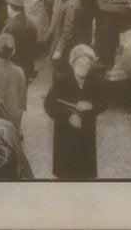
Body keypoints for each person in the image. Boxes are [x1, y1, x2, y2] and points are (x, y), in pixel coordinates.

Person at [43, 44, 107, 179]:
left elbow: (104, 102)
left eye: (87, 64)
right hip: (65, 136)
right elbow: (49, 104)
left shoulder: (96, 82)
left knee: (85, 174)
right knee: (66, 174)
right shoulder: (62, 82)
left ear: (91, 66)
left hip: (86, 135)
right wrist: (68, 116)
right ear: (73, 63)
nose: (84, 67)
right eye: (80, 63)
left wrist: (92, 106)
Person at [49, 0, 83, 77]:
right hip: (57, 37)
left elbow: (68, 29)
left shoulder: (73, 3)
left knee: (62, 69)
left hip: (67, 41)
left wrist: (59, 49)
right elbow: (55, 17)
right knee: (54, 64)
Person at [2, 0, 38, 80]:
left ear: (11, 9)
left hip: (12, 69)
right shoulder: (32, 25)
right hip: (27, 68)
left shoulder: (9, 27)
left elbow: (3, 50)